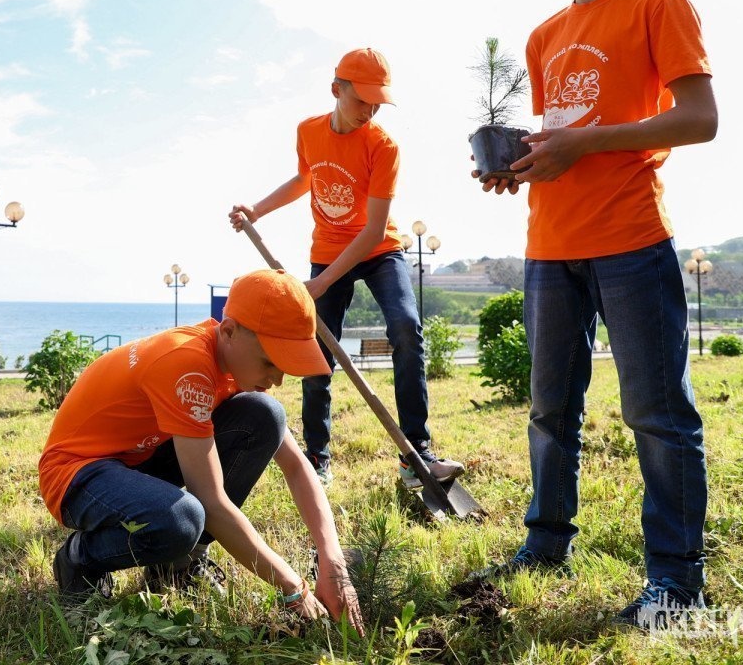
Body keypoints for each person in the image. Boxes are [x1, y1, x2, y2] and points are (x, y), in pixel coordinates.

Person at [472, 0, 718, 630]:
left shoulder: (657, 6)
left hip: (632, 238)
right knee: (549, 411)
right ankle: (546, 544)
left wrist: (581, 143)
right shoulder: (544, 35)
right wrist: (526, 163)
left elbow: (700, 118)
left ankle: (676, 584)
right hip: (550, 243)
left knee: (657, 413)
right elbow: (564, 138)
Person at [39, 268, 364, 631]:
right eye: (270, 361)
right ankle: (80, 558)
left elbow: (296, 465)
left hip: (137, 460)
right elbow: (210, 501)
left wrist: (332, 563)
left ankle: (177, 563)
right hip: (78, 476)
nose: (278, 377)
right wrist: (295, 589)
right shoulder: (187, 365)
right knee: (183, 519)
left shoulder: (232, 364)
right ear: (229, 331)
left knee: (265, 415)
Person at [229, 48, 464, 487]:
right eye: (362, 101)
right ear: (337, 90)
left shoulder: (383, 145)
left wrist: (319, 284)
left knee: (407, 329)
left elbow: (374, 231)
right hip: (327, 247)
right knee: (315, 350)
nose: (370, 111)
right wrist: (257, 209)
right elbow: (305, 179)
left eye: (378, 103)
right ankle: (318, 455)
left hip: (378, 251)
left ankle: (418, 454)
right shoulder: (308, 130)